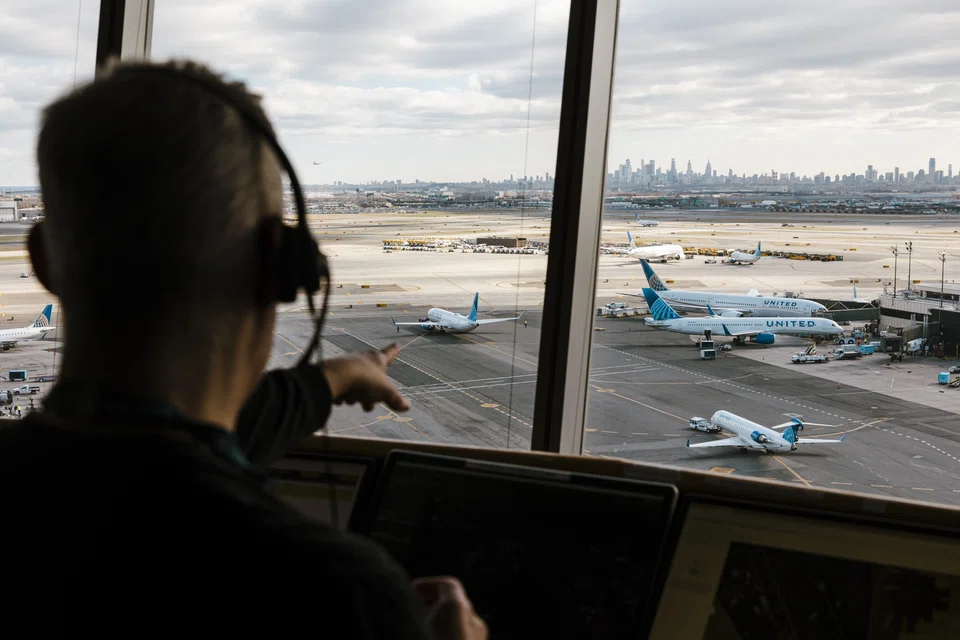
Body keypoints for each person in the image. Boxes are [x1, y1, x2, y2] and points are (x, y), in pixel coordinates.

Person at [0, 58, 485, 639]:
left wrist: (329, 379)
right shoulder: (336, 591)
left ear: (42, 261)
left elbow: (164, 447)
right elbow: (181, 457)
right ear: (278, 271)